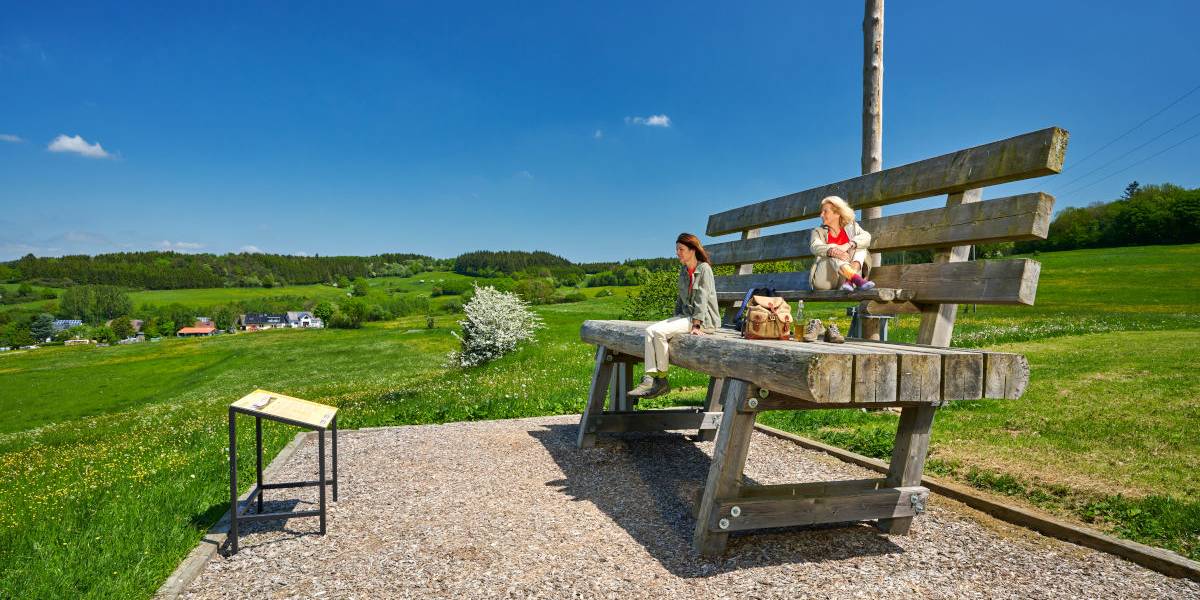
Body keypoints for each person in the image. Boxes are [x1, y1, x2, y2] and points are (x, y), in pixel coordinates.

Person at [627, 233, 720, 399]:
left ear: (692, 250)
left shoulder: (704, 269)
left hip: (703, 320)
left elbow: (702, 299)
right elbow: (680, 299)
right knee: (650, 330)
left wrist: (697, 325)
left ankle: (661, 380)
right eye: (677, 249)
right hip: (686, 317)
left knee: (659, 332)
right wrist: (673, 319)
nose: (678, 252)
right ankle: (649, 378)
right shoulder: (684, 271)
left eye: (681, 249)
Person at [809, 195, 876, 292]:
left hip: (843, 281)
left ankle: (849, 280)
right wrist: (833, 250)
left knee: (860, 245)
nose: (821, 215)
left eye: (825, 211)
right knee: (832, 248)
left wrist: (848, 245)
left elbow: (866, 237)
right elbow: (815, 246)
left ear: (837, 213)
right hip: (824, 281)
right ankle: (855, 279)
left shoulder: (852, 228)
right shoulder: (817, 231)